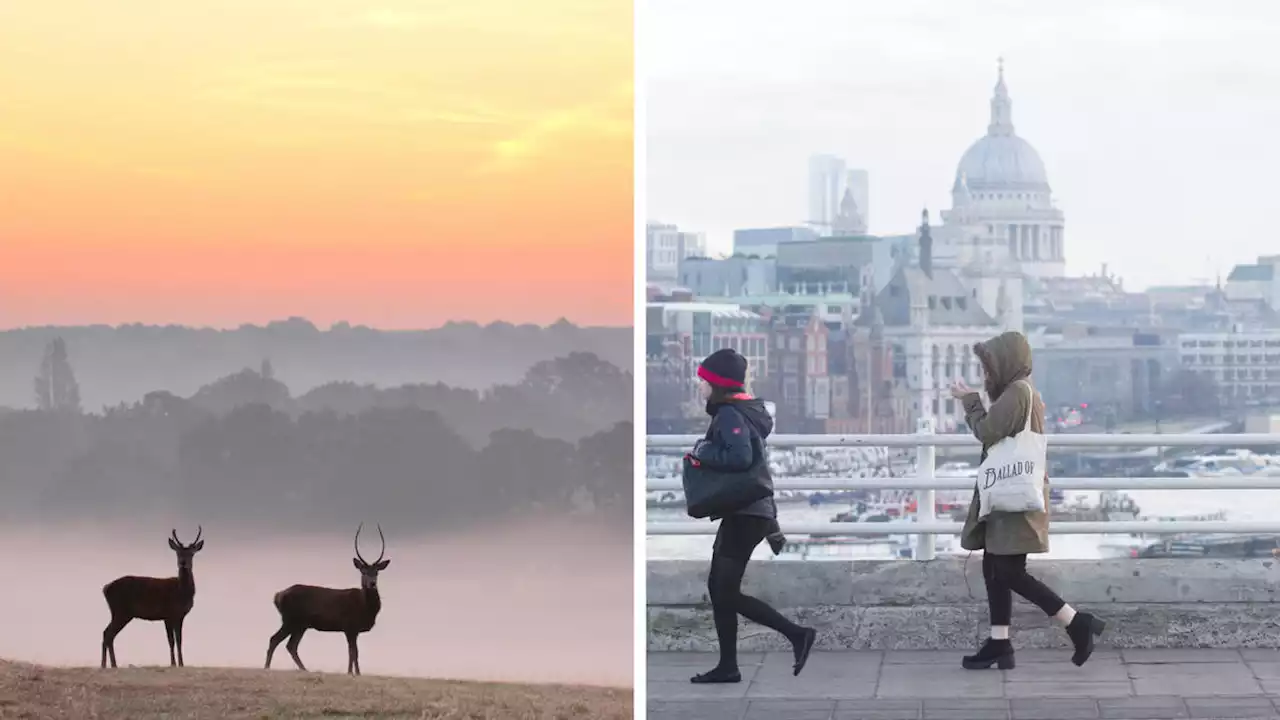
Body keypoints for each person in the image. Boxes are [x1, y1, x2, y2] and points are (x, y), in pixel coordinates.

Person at [949, 330, 1106, 670]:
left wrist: (970, 401)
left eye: (989, 366)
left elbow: (987, 431)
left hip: (1013, 498)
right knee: (994, 567)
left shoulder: (1018, 392)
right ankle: (1000, 643)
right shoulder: (1022, 392)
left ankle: (1076, 622)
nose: (987, 374)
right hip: (1010, 495)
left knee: (1009, 571)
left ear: (1007, 363)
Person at [687, 348, 817, 684]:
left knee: (724, 590)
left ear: (718, 384)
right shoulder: (744, 411)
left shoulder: (730, 414)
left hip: (745, 514)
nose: (700, 387)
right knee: (720, 588)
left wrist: (701, 450)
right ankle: (728, 666)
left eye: (703, 381)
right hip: (749, 512)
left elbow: (741, 457)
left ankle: (796, 634)